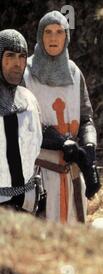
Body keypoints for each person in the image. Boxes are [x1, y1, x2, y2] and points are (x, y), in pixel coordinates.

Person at [24, 11, 100, 224]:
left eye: (59, 32)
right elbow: (24, 125)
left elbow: (86, 119)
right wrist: (61, 142)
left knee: (72, 243)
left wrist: (90, 158)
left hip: (72, 175)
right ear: (40, 36)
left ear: (66, 37)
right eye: (48, 32)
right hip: (38, 175)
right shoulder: (26, 74)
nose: (53, 38)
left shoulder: (74, 73)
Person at [0, 29, 43, 213]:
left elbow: (35, 148)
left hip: (28, 203)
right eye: (10, 56)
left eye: (22, 56)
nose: (17, 64)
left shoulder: (30, 101)